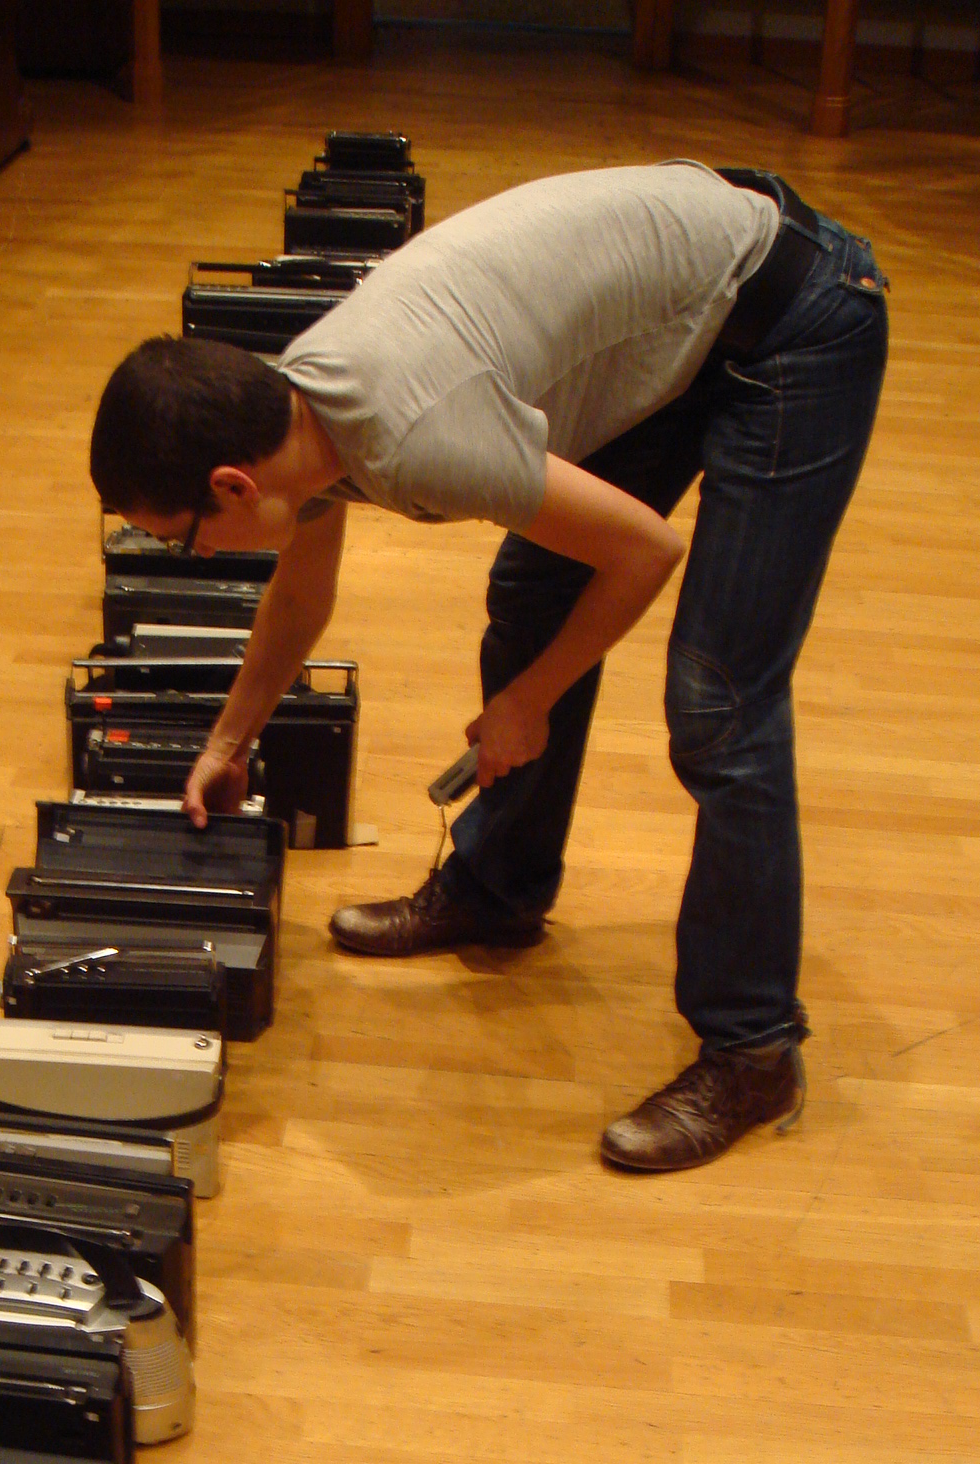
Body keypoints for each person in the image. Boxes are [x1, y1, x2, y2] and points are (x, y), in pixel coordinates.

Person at [88, 161, 888, 1171]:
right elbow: (300, 596)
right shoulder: (292, 412)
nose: (194, 557)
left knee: (718, 703)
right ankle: (498, 890)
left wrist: (529, 701)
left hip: (798, 318)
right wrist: (228, 738)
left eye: (184, 536)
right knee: (532, 592)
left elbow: (646, 552)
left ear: (233, 485)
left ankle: (754, 1047)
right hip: (693, 310)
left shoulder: (410, 437)